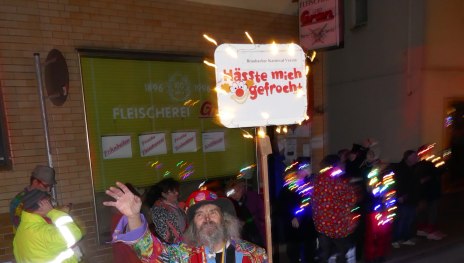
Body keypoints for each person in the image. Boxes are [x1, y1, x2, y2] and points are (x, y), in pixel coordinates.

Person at [104, 182, 267, 263]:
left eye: (212, 212)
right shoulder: (185, 255)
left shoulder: (254, 255)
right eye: (200, 215)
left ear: (224, 219)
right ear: (194, 224)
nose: (207, 218)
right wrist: (133, 216)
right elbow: (150, 252)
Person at [13, 189, 83, 262]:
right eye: (49, 202)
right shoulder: (42, 232)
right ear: (41, 205)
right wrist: (52, 212)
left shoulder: (20, 231)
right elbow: (74, 234)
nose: (52, 206)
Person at [312, 154, 359, 263]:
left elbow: (314, 200)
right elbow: (351, 199)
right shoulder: (339, 181)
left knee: (324, 252)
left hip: (322, 223)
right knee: (341, 252)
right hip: (338, 224)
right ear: (336, 165)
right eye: (341, 163)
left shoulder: (318, 179)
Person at [277, 161, 317, 263]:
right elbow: (283, 205)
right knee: (294, 248)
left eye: (308, 170)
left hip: (308, 221)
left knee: (309, 248)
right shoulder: (288, 188)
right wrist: (292, 217)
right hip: (294, 222)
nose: (307, 172)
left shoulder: (310, 184)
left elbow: (312, 202)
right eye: (306, 169)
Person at [9, 165, 58, 233]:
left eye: (51, 186)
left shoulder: (18, 198)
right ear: (35, 182)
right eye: (46, 186)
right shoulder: (19, 201)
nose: (49, 189)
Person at [414, 144, 446, 240]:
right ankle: (428, 231)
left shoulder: (431, 162)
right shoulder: (422, 164)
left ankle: (429, 229)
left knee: (432, 210)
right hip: (427, 192)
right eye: (427, 150)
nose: (430, 152)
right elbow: (427, 177)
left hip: (432, 191)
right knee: (429, 211)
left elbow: (441, 171)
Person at [391, 150, 419, 248]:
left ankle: (405, 238)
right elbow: (398, 184)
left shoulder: (413, 168)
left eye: (416, 156)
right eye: (414, 157)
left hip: (412, 198)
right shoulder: (400, 169)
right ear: (408, 158)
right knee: (401, 219)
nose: (416, 158)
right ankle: (395, 239)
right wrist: (400, 196)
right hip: (403, 198)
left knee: (409, 219)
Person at [226, 178, 265, 247]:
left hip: (257, 230)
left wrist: (246, 221)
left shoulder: (252, 197)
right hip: (244, 235)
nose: (234, 196)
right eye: (232, 194)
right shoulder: (232, 203)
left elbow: (261, 212)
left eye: (236, 191)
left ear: (241, 189)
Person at [148, 178, 187, 243]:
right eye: (173, 191)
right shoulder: (159, 210)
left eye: (176, 190)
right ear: (164, 194)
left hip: (182, 240)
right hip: (172, 245)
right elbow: (164, 234)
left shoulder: (177, 205)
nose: (177, 193)